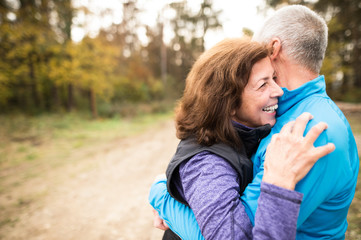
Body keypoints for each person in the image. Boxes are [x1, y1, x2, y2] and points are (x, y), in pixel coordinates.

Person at [149, 4, 359, 240]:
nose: (276, 91)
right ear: (228, 101)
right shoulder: (283, 115)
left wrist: (164, 199)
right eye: (263, 83)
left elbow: (237, 234)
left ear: (273, 48)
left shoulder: (311, 129)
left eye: (271, 79)